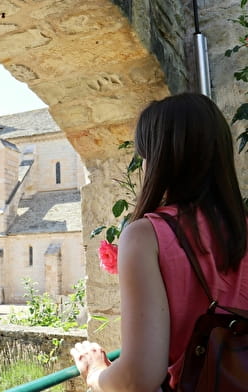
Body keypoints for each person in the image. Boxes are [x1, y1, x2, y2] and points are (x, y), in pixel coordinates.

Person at [70, 93, 248, 391]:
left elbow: (140, 377)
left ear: (158, 159)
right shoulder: (241, 228)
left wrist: (95, 370)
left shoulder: (146, 235)